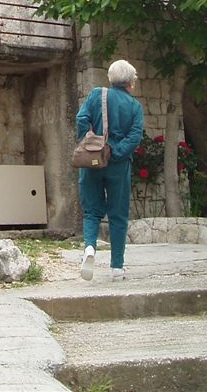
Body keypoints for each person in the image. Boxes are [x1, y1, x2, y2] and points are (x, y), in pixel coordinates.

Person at [75, 59, 144, 281]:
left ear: (111, 78)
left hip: (92, 161)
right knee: (118, 214)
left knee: (91, 211)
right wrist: (115, 152)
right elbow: (135, 136)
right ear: (130, 82)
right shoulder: (135, 106)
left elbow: (81, 119)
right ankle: (117, 267)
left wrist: (91, 144)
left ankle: (89, 248)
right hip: (118, 165)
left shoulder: (97, 94)